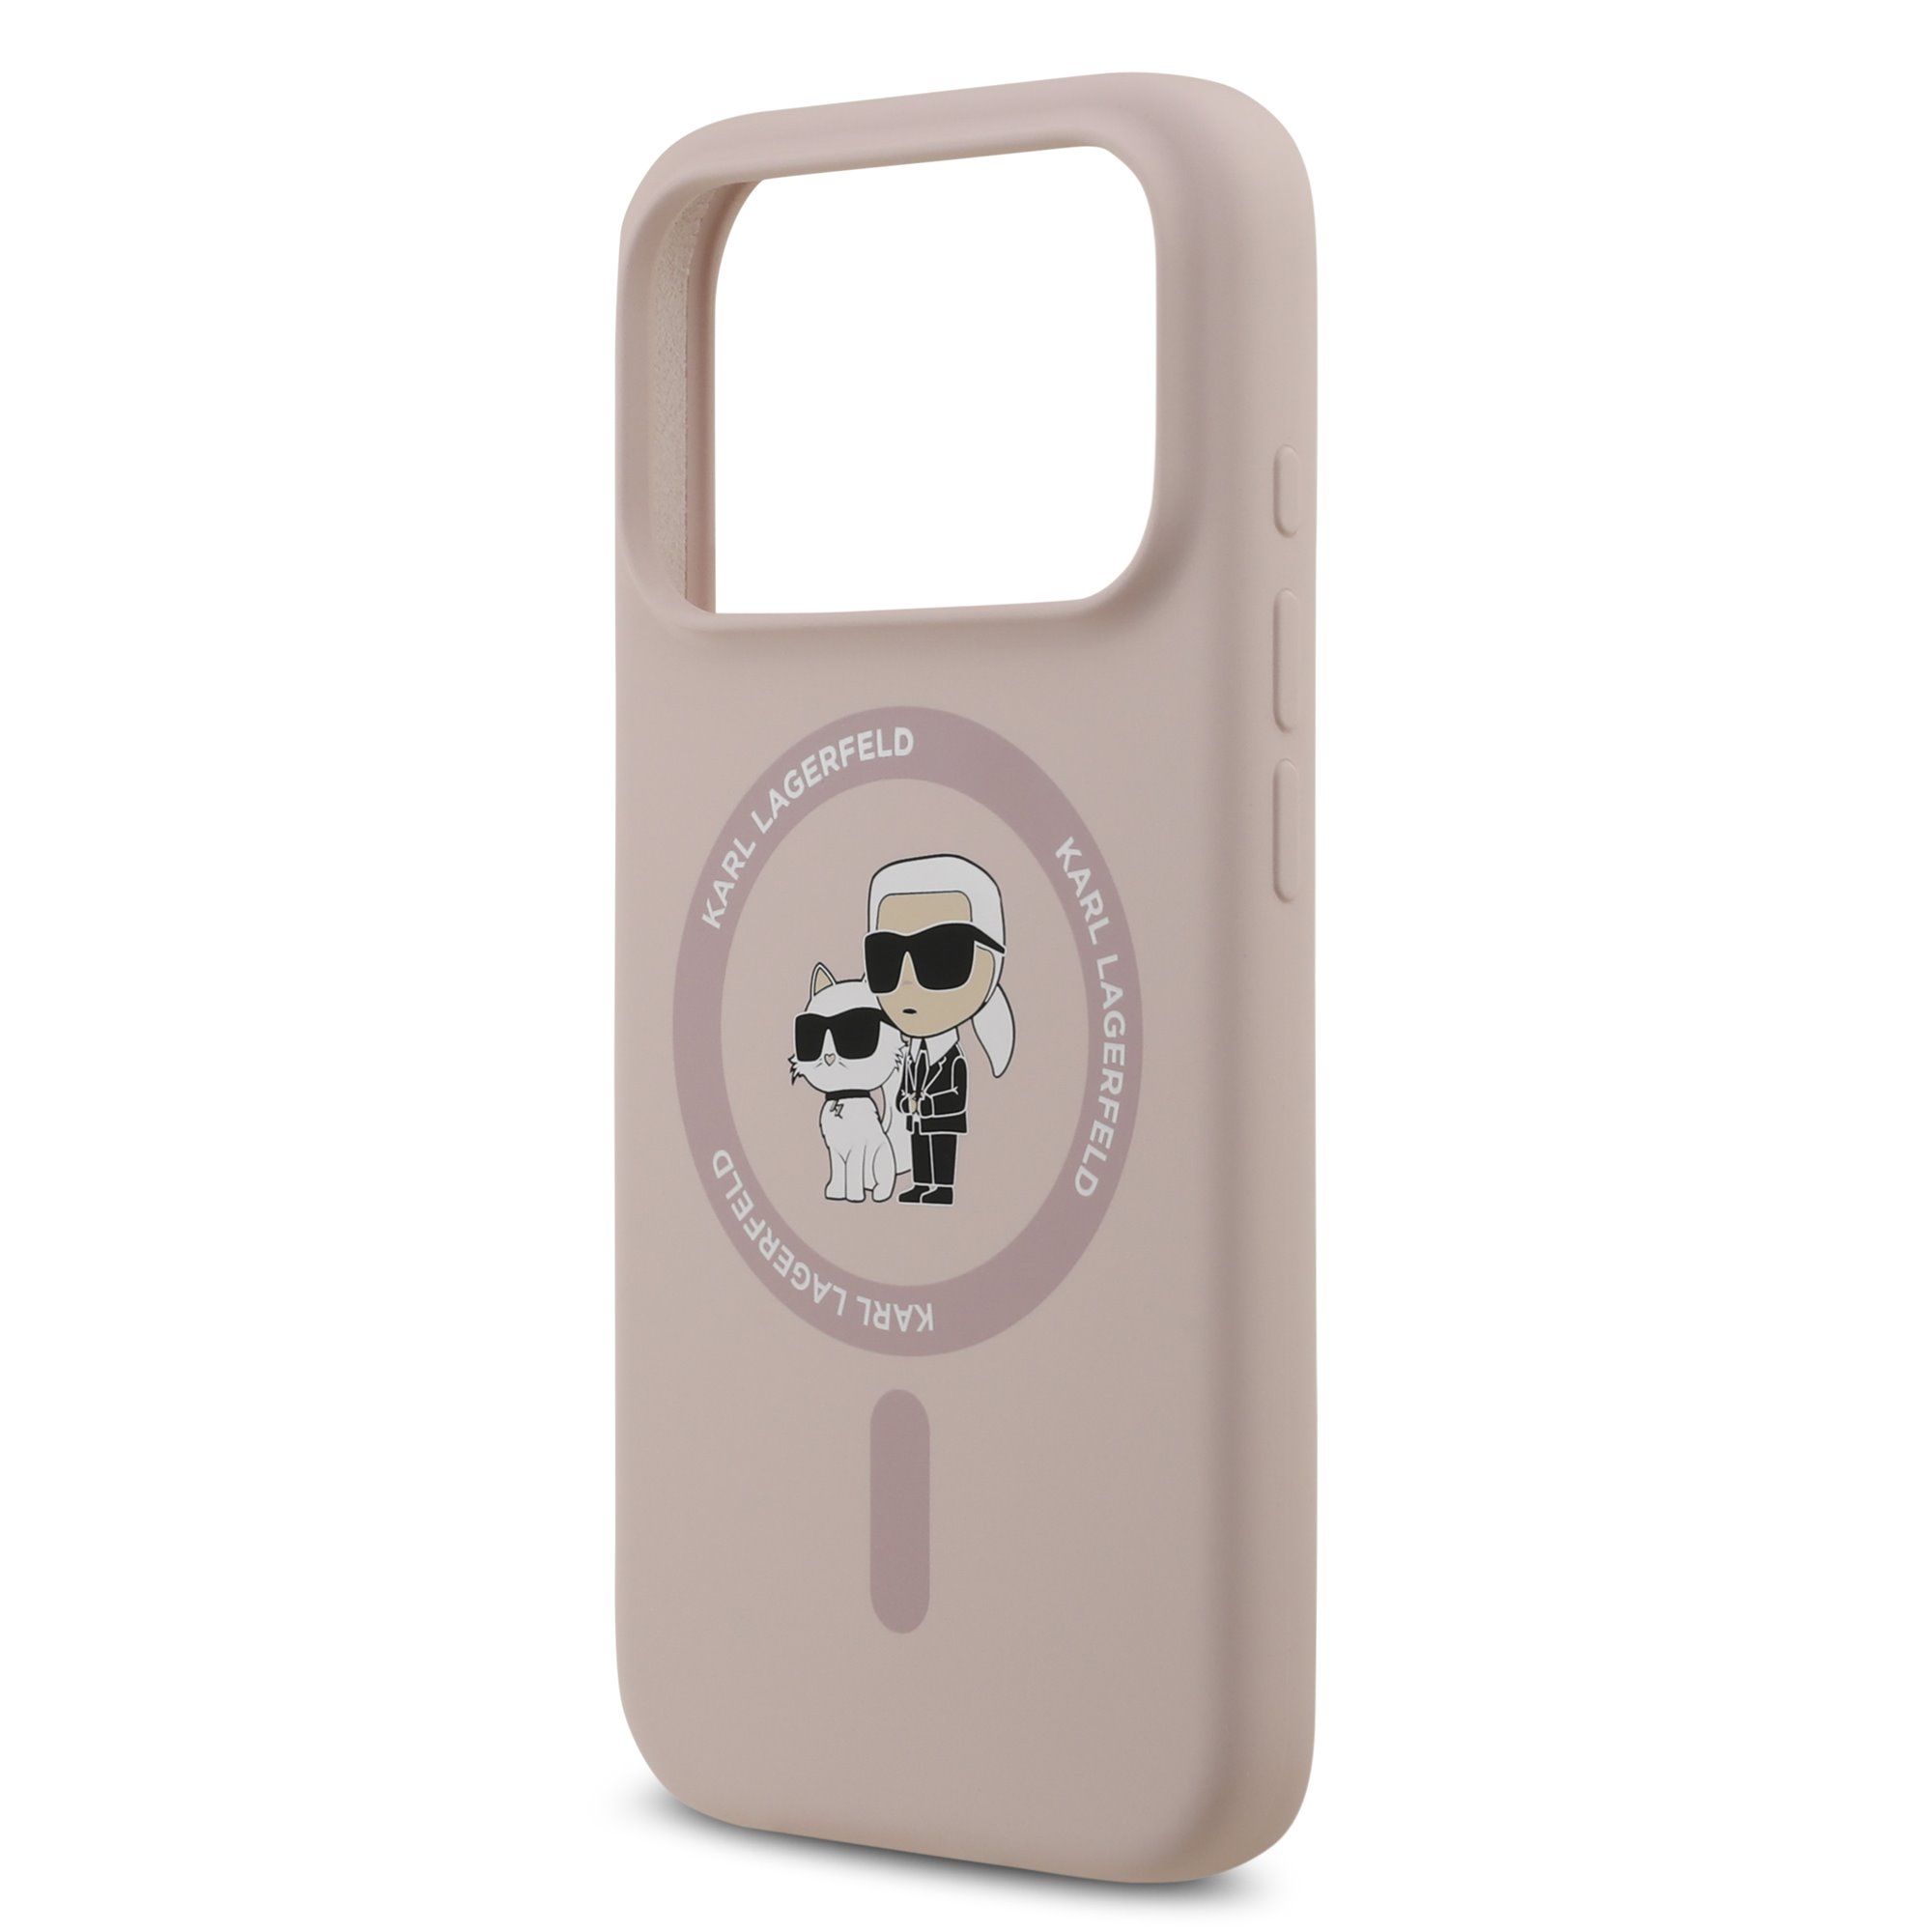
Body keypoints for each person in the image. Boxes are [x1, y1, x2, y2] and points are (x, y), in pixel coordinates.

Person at [864, 855, 1014, 1206]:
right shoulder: (912, 1053)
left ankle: (942, 1187)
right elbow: (905, 1086)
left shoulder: (952, 1057)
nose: (907, 980)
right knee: (921, 1150)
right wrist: (906, 1102)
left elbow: (956, 1093)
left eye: (943, 956)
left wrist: (927, 1103)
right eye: (886, 957)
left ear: (991, 964)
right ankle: (922, 1184)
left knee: (941, 1152)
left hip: (942, 1119)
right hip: (917, 1118)